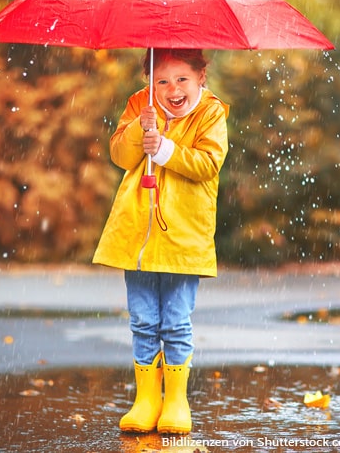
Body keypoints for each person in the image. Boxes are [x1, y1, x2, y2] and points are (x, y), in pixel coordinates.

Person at [93, 48, 229, 434]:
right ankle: (146, 399)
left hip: (183, 234)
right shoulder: (140, 103)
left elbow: (207, 164)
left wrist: (165, 149)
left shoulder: (211, 113)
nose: (172, 89)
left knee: (175, 321)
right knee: (143, 320)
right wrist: (140, 127)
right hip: (138, 232)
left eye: (182, 79)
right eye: (162, 81)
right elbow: (120, 155)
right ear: (150, 82)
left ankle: (176, 399)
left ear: (201, 75)